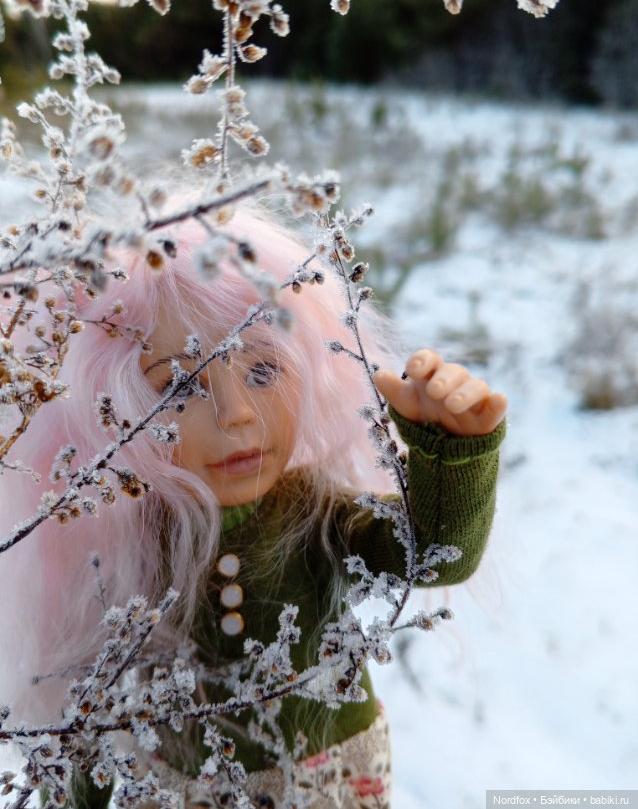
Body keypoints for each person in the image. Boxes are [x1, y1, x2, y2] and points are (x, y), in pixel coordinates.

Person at [0, 209, 507, 809]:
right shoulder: (120, 543)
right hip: (184, 788)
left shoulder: (317, 515)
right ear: (109, 411)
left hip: (330, 783)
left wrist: (450, 453)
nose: (237, 413)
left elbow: (435, 557)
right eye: (180, 388)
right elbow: (92, 703)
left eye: (264, 369)